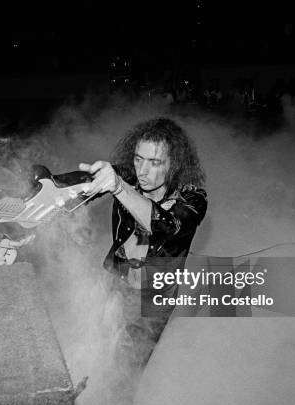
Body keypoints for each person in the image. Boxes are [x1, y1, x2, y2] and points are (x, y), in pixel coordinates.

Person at [79, 117, 207, 372]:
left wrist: (118, 187)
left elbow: (166, 227)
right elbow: (84, 184)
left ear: (175, 165)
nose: (142, 171)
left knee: (127, 372)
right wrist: (46, 190)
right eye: (138, 159)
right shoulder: (128, 177)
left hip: (153, 301)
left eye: (155, 162)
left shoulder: (193, 198)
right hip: (115, 282)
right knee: (93, 355)